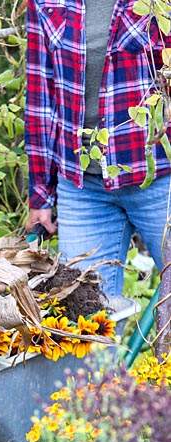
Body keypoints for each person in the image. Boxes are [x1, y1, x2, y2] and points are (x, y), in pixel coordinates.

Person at [25, 1, 171, 299]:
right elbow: (41, 98)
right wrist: (41, 194)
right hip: (82, 189)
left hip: (161, 179)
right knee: (83, 320)